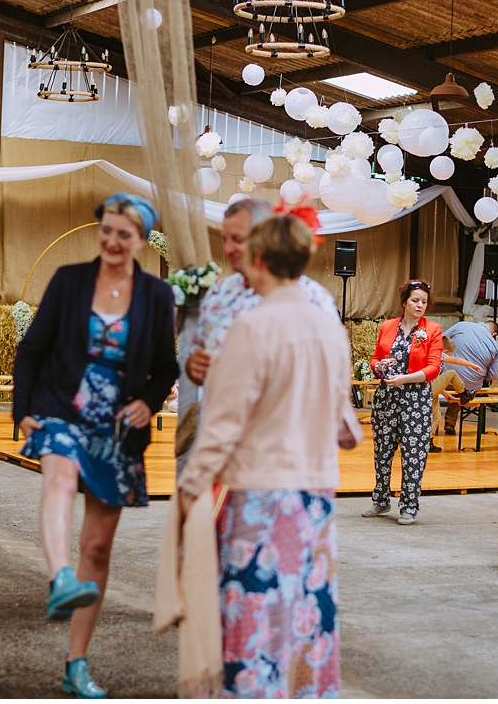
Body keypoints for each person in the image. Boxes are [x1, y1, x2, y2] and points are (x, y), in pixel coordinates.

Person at [177, 213, 362, 699]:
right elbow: (348, 428)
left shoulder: (253, 326)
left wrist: (190, 484)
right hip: (315, 498)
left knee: (254, 619)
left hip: (257, 498)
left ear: (259, 260)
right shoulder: (330, 329)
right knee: (303, 618)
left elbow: (222, 425)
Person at [12, 192, 178, 699]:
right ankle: (60, 577)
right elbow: (33, 347)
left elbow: (166, 367)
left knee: (99, 548)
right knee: (59, 476)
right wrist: (23, 410)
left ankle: (76, 664)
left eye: (123, 235)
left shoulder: (156, 295)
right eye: (106, 230)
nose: (111, 241)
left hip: (118, 427)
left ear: (140, 241)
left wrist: (149, 402)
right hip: (63, 405)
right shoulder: (69, 280)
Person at [179, 198, 338, 477]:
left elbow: (325, 382)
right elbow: (197, 355)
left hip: (283, 455)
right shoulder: (219, 294)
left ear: (267, 235)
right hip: (219, 449)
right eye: (226, 239)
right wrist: (194, 366)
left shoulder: (314, 301)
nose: (228, 249)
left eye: (238, 239)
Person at [361, 279, 444, 525]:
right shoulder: (387, 326)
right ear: (404, 302)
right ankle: (381, 499)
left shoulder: (432, 329)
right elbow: (376, 358)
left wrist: (406, 379)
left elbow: (433, 367)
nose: (420, 305)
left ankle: (409, 505)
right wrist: (378, 366)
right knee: (383, 449)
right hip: (387, 396)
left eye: (424, 302)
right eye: (415, 301)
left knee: (414, 452)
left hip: (415, 397)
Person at [440, 319, 498, 437]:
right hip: (469, 386)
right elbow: (493, 376)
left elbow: (440, 339)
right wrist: (481, 376)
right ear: (494, 334)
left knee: (450, 377)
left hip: (443, 379)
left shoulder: (462, 325)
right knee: (463, 387)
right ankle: (450, 422)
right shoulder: (495, 347)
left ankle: (433, 423)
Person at [428, 336, 484, 452]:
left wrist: (445, 394)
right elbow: (455, 361)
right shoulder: (437, 353)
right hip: (427, 387)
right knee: (452, 373)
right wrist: (471, 365)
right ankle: (464, 395)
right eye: (450, 354)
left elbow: (436, 379)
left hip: (429, 388)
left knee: (436, 416)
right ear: (445, 351)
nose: (449, 357)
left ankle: (429, 442)